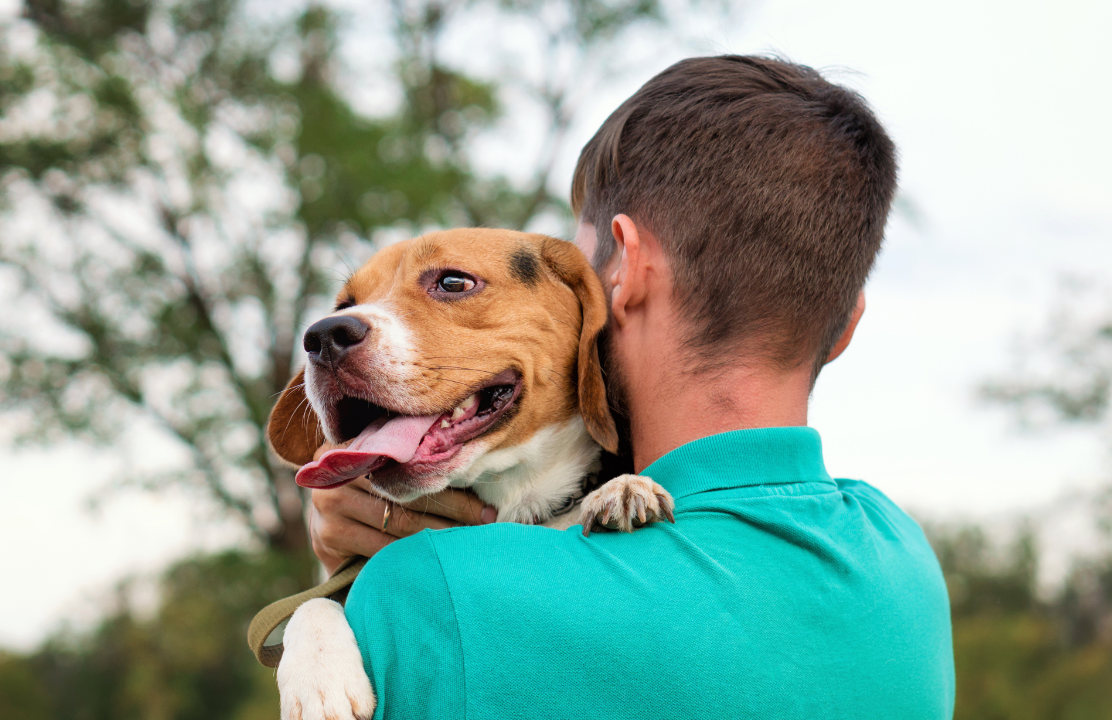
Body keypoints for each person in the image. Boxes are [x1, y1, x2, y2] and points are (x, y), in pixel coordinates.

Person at [306, 55, 954, 718]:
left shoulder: (429, 591)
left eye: (584, 264)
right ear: (845, 325)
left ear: (627, 269)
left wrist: (354, 584)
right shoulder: (906, 563)